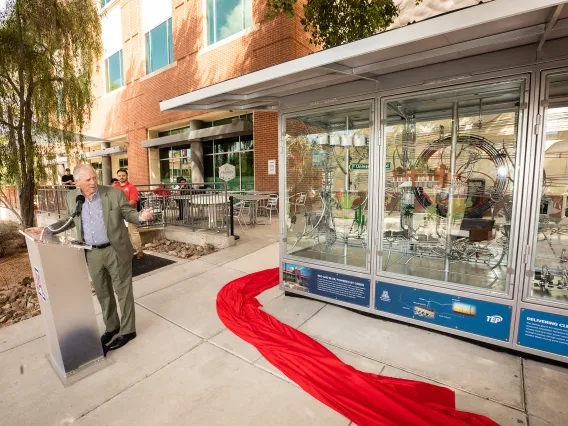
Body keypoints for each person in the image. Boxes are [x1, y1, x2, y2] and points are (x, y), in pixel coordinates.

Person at [26, 164, 153, 354]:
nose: (93, 182)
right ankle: (112, 328)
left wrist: (141, 216)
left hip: (115, 250)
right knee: (103, 293)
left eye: (94, 178)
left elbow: (129, 213)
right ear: (77, 182)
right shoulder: (72, 197)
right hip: (91, 253)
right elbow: (69, 220)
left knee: (123, 292)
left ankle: (128, 331)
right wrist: (47, 230)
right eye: (88, 180)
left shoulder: (114, 194)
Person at [116, 169, 143, 259]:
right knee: (121, 233)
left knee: (133, 232)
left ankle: (139, 251)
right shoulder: (114, 187)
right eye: (119, 176)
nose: (121, 177)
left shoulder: (131, 187)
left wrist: (122, 205)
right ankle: (125, 252)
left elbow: (133, 200)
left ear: (126, 176)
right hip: (118, 213)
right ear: (117, 176)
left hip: (130, 213)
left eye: (123, 175)